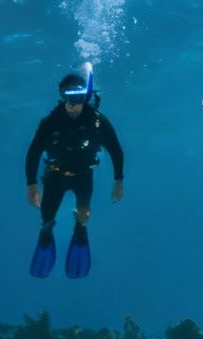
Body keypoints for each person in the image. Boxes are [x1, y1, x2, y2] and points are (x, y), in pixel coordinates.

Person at [24, 70, 124, 279]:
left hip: (83, 176)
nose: (72, 105)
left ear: (86, 97)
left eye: (77, 98)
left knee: (83, 216)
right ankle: (47, 232)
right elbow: (33, 153)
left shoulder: (97, 122)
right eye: (67, 98)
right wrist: (31, 184)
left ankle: (80, 229)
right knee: (47, 221)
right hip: (54, 175)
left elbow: (115, 149)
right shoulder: (50, 123)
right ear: (61, 98)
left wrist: (118, 180)